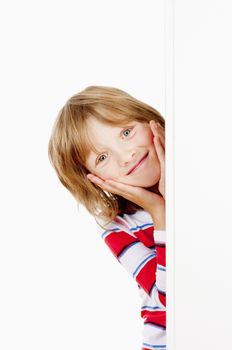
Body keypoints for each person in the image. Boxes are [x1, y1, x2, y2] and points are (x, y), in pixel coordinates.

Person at [48, 85, 166, 350]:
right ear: (94, 180)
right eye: (102, 157)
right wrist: (160, 213)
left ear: (149, 119)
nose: (127, 156)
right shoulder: (118, 227)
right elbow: (173, 299)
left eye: (126, 132)